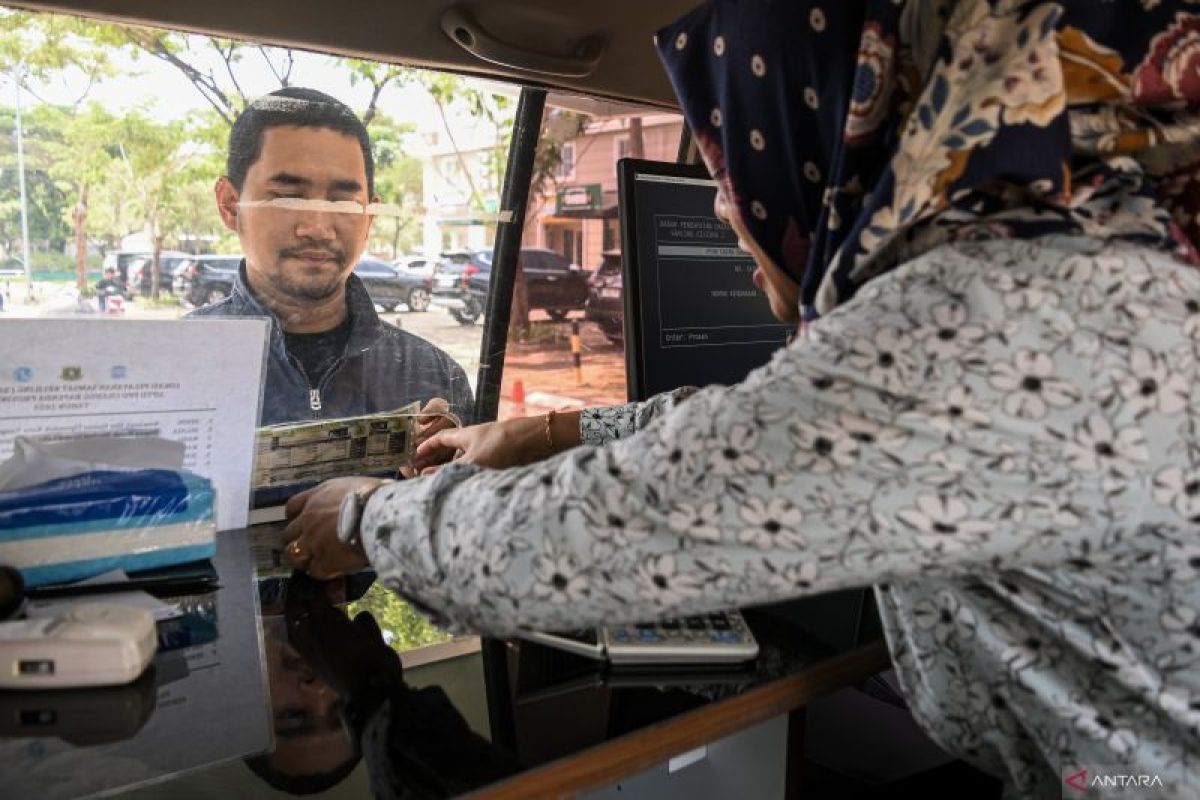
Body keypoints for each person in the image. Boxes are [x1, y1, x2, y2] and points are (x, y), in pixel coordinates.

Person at [280, 3, 1200, 797]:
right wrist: (536, 433)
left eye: (733, 157)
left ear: (850, 127)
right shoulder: (1111, 263)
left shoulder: (994, 311)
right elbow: (741, 431)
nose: (726, 209)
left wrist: (365, 517)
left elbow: (576, 545)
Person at [191, 87, 472, 427]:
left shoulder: (433, 380)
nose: (318, 228)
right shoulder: (172, 368)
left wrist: (431, 477)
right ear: (230, 205)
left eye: (343, 203)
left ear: (370, 216)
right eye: (288, 198)